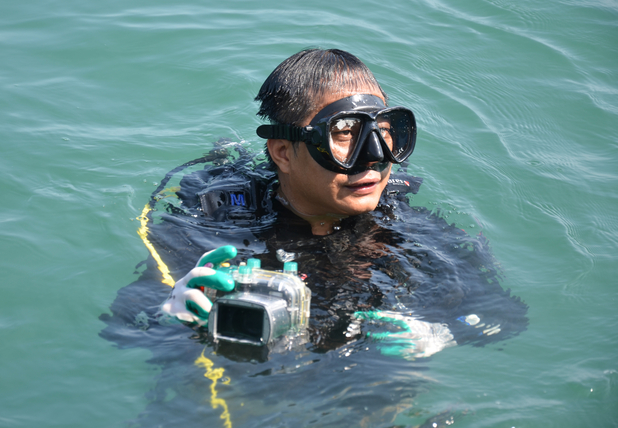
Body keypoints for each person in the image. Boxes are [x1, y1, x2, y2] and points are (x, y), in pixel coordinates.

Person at [144, 48, 527, 357]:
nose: (375, 156)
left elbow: (504, 317)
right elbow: (126, 328)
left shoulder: (405, 229)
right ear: (283, 153)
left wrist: (442, 333)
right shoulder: (216, 226)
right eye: (345, 132)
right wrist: (169, 317)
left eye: (385, 130)